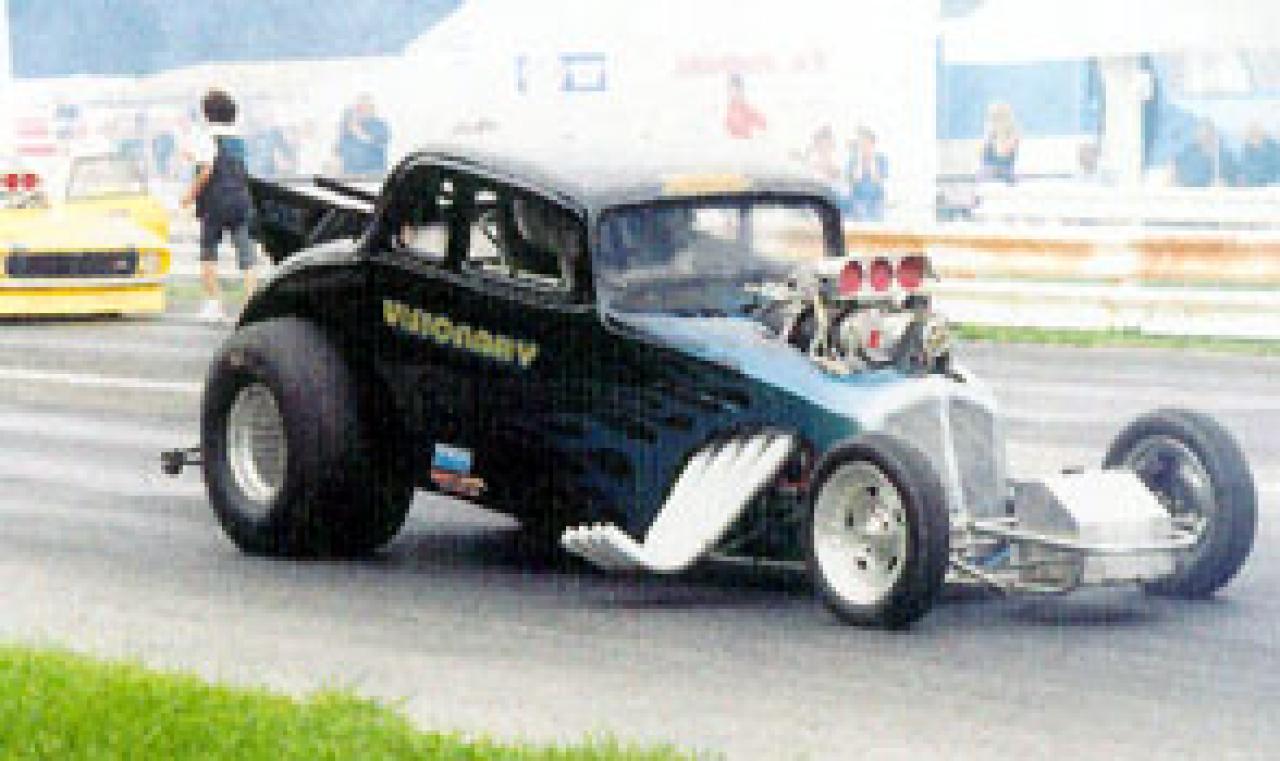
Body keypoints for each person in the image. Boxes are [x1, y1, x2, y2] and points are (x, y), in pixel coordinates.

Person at [180, 88, 256, 323]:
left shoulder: (206, 137)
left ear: (207, 114)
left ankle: (214, 305)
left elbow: (206, 170)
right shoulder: (239, 140)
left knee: (209, 253)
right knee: (246, 255)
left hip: (214, 202)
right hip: (241, 199)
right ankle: (251, 305)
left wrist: (189, 195)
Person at [337, 94, 390, 175]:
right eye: (359, 107)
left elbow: (380, 142)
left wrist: (359, 132)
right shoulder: (347, 128)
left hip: (373, 173)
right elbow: (340, 150)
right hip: (350, 174)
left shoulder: (379, 125)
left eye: (366, 106)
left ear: (372, 108)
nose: (361, 110)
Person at [1174, 120, 1238, 187]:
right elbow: (1174, 167)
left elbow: (1236, 180)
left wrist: (1226, 184)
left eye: (1209, 135)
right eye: (1203, 136)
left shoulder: (1226, 156)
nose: (1206, 139)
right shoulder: (1187, 154)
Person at [845, 126, 888, 221]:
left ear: (873, 144)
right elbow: (852, 181)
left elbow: (879, 180)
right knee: (860, 216)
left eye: (867, 143)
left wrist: (871, 161)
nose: (864, 146)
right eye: (861, 144)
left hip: (876, 198)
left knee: (877, 218)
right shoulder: (853, 160)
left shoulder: (881, 159)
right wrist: (859, 161)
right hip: (858, 198)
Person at [978, 101, 1019, 183]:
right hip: (997, 155)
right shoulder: (992, 127)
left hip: (1005, 154)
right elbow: (988, 141)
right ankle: (997, 170)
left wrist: (1008, 145)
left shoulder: (1010, 127)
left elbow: (1014, 140)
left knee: (1006, 158)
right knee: (989, 149)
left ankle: (1003, 171)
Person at [725, 73, 766, 140]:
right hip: (740, 133)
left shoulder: (742, 108)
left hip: (743, 134)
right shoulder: (737, 108)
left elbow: (759, 120)